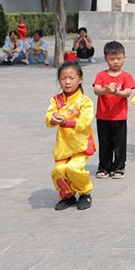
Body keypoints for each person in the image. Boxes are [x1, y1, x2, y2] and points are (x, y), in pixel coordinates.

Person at [46, 61, 95, 210]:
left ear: (80, 79)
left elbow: (85, 121)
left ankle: (85, 192)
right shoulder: (56, 100)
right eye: (63, 78)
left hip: (80, 144)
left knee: (74, 168)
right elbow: (49, 118)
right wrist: (52, 119)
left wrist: (67, 121)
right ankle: (67, 196)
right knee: (59, 171)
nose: (67, 82)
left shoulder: (84, 101)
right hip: (63, 145)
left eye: (71, 78)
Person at [92, 41, 135, 179]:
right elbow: (96, 90)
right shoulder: (101, 75)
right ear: (105, 59)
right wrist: (106, 89)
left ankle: (118, 166)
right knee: (104, 142)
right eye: (112, 59)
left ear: (124, 58)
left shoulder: (126, 76)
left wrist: (116, 92)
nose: (116, 62)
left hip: (119, 116)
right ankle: (104, 166)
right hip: (103, 115)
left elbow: (127, 93)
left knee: (119, 143)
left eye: (119, 58)